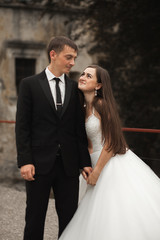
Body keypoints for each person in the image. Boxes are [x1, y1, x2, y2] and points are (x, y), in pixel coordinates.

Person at [59, 65, 160, 240]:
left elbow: (112, 142)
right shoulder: (83, 107)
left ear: (98, 85)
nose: (82, 77)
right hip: (91, 163)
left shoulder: (101, 105)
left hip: (109, 164)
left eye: (88, 76)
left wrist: (97, 171)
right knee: (93, 214)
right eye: (82, 74)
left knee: (114, 212)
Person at [15, 36, 92, 240]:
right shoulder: (29, 85)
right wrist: (25, 160)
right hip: (38, 165)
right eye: (68, 57)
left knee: (69, 219)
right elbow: (22, 126)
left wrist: (84, 161)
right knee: (34, 218)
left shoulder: (76, 88)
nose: (72, 63)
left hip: (68, 165)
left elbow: (79, 130)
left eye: (74, 58)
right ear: (53, 54)